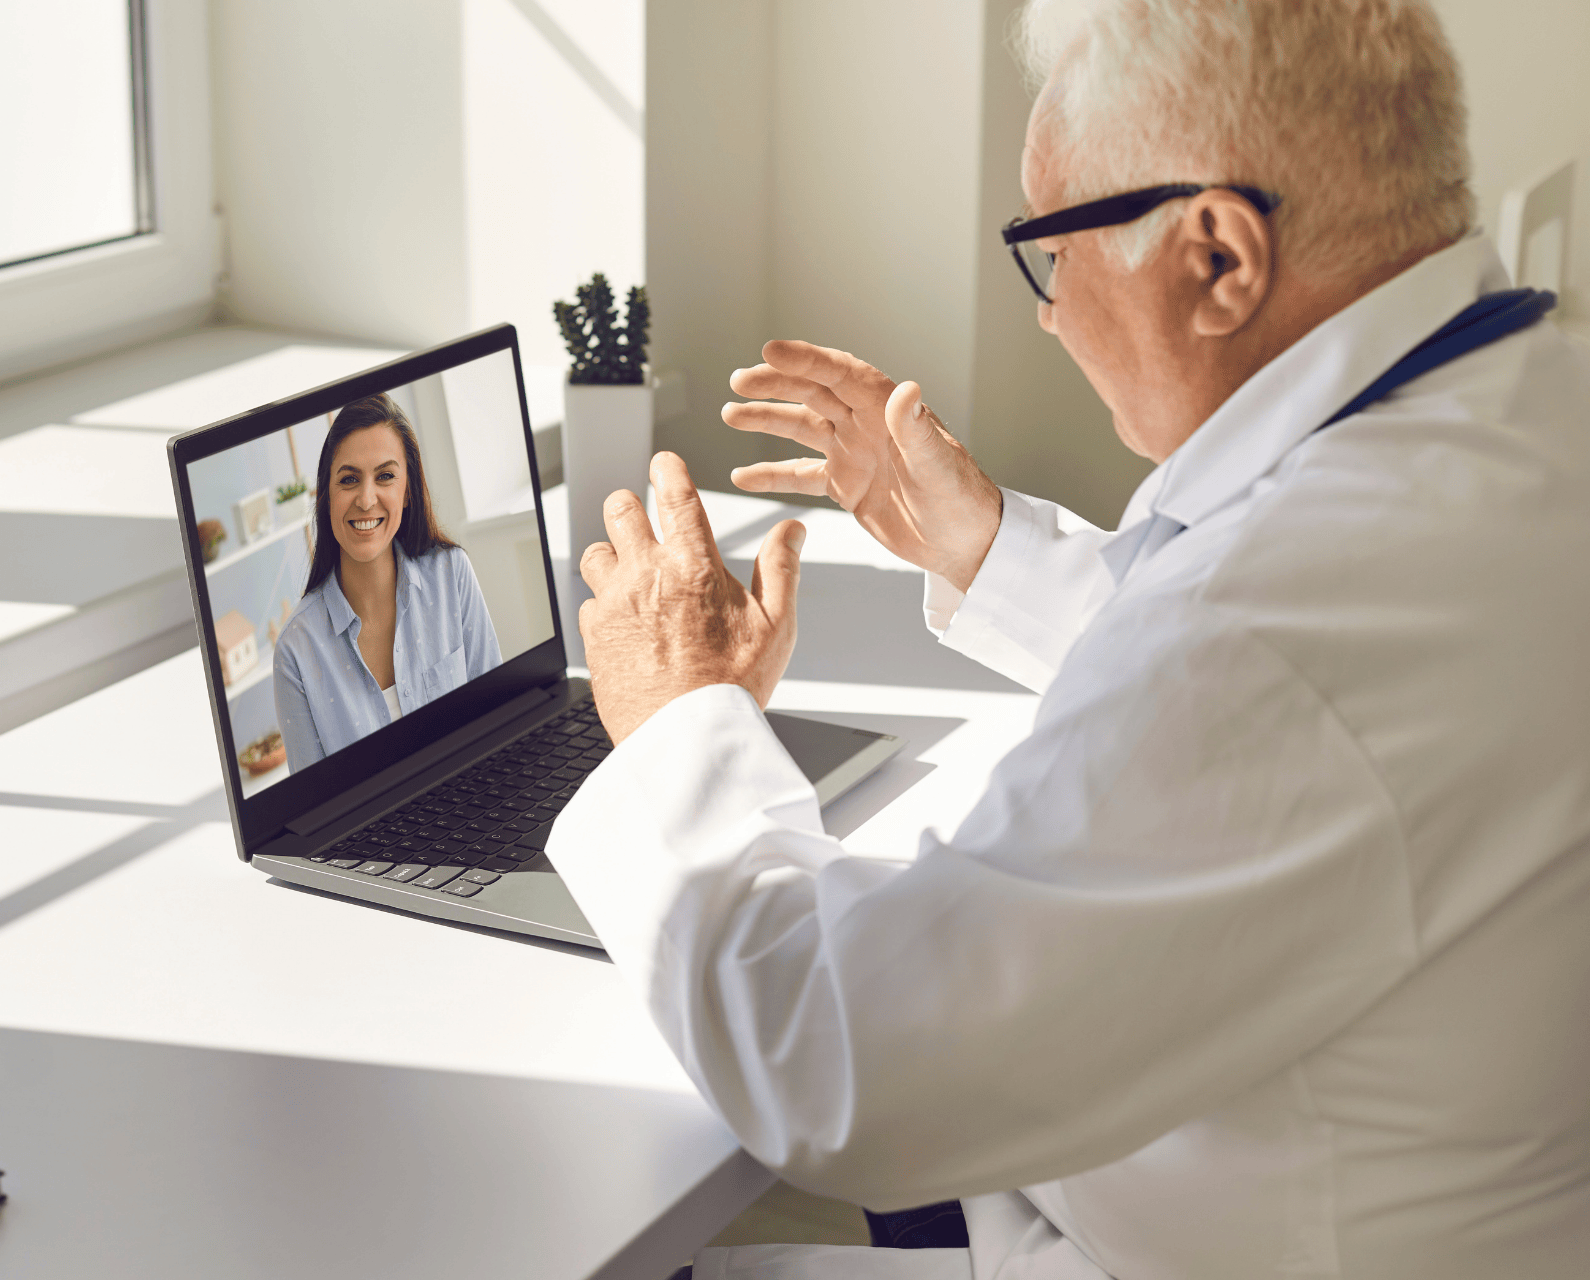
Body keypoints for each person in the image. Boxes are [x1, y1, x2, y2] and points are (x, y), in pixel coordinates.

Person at [547, 1, 1590, 1277]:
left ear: (1219, 257)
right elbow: (1295, 721)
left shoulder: (1273, 633)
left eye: (1049, 249)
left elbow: (835, 1068)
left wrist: (677, 719)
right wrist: (983, 545)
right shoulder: (1533, 401)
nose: (1048, 313)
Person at [273, 394, 501, 770]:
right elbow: (316, 813)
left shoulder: (452, 573)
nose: (366, 499)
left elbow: (500, 719)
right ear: (326, 496)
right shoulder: (295, 652)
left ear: (407, 489)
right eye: (348, 479)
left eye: (385, 477)